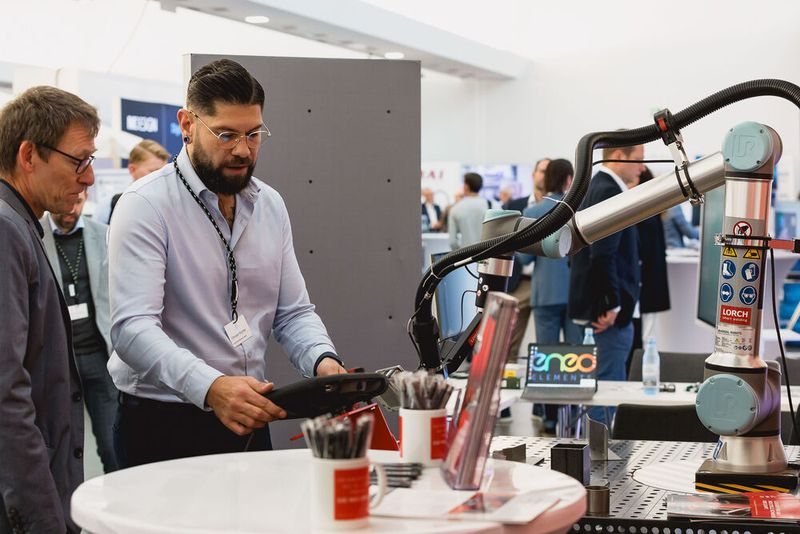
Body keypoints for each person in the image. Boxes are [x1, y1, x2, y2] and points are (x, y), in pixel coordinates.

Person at [108, 59, 347, 468]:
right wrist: (212, 387)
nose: (242, 150)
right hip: (164, 421)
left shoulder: (269, 205)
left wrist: (324, 362)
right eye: (226, 134)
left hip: (250, 412)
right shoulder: (145, 205)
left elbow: (293, 313)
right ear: (187, 124)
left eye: (254, 134)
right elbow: (132, 329)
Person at [0, 86, 99, 533]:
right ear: (28, 155)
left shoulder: (20, 226)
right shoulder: (6, 232)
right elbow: (6, 395)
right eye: (79, 161)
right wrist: (43, 519)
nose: (89, 178)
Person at [42, 191, 119, 474]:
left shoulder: (105, 235)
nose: (71, 208)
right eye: (66, 201)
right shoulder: (35, 237)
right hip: (60, 360)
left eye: (78, 201)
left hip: (100, 356)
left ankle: (119, 507)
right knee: (61, 445)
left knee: (111, 443)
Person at [568, 144, 644, 424]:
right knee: (606, 390)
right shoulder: (609, 191)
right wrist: (611, 302)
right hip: (606, 314)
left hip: (592, 306)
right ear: (618, 156)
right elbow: (602, 253)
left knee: (593, 387)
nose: (642, 167)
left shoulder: (591, 187)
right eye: (638, 160)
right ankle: (604, 457)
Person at [521, 158, 583, 434]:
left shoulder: (532, 211)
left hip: (544, 291)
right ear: (570, 179)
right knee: (575, 354)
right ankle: (575, 415)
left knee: (546, 356)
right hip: (573, 292)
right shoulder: (578, 210)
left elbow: (523, 259)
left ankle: (548, 417)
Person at [623, 168, 670, 372]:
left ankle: (640, 377)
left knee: (643, 338)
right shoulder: (654, 211)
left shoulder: (644, 215)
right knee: (646, 336)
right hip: (649, 285)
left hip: (645, 285)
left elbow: (642, 252)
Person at [94, 139, 170, 223]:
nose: (161, 178)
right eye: (153, 172)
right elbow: (95, 235)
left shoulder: (171, 205)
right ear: (132, 169)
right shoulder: (108, 205)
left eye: (164, 172)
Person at [448, 172, 488, 249]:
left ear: (466, 186)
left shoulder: (455, 209)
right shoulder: (492, 206)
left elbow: (452, 242)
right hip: (487, 257)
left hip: (466, 257)